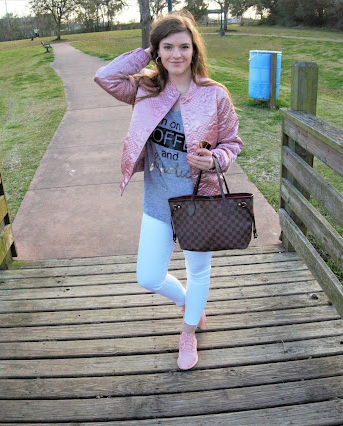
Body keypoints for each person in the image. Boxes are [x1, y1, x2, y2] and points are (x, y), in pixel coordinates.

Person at [94, 11, 243, 370]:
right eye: (168, 47)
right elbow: (105, 76)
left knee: (199, 272)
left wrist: (216, 160)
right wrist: (146, 55)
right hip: (159, 199)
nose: (177, 54)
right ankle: (187, 302)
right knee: (148, 276)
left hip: (199, 200)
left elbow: (232, 143)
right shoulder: (146, 88)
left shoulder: (214, 95)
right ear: (157, 51)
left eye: (184, 47)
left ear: (195, 50)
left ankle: (188, 333)